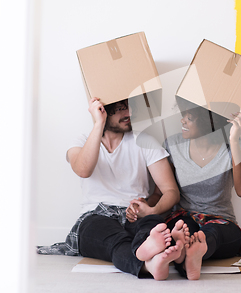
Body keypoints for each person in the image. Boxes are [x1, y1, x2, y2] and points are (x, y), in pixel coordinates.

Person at [37, 97, 189, 280]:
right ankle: (149, 264)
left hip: (134, 214)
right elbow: (83, 170)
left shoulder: (144, 140)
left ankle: (152, 258)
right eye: (120, 109)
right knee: (112, 239)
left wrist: (152, 210)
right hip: (95, 216)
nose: (129, 113)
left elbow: (170, 190)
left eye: (129, 107)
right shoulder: (81, 141)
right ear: (103, 111)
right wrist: (98, 123)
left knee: (153, 225)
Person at [127, 98, 241, 280]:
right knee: (182, 230)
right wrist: (144, 206)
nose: (182, 121)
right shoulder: (173, 145)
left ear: (210, 122)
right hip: (183, 219)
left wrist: (234, 139)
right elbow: (159, 192)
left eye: (190, 117)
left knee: (212, 234)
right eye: (183, 115)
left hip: (221, 222)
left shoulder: (237, 148)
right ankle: (186, 255)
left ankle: (191, 252)